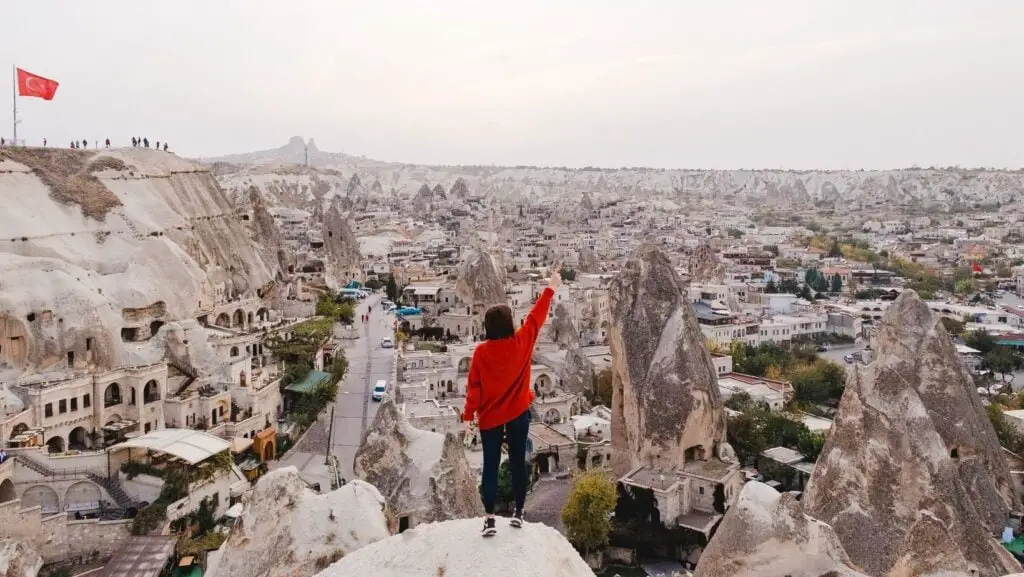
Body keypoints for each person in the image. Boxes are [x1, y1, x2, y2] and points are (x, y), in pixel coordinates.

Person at [463, 265, 559, 537]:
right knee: (519, 462)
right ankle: (518, 513)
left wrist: (468, 417)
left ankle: (490, 518)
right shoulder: (521, 342)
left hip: (491, 418)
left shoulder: (481, 352)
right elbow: (536, 317)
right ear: (509, 323)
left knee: (490, 465)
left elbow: (474, 388)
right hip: (518, 413)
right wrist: (551, 286)